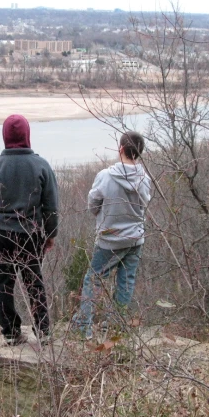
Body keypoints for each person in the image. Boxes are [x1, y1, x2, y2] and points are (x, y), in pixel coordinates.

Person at [0, 114, 58, 345]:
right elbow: (51, 207)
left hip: (1, 233)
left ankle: (11, 333)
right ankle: (43, 331)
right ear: (27, 135)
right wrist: (50, 234)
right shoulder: (41, 165)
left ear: (5, 136)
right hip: (31, 233)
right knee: (34, 281)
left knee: (4, 284)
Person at [74, 131, 151, 340]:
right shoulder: (144, 178)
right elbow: (144, 204)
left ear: (121, 149)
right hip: (135, 238)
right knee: (126, 281)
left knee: (93, 280)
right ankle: (115, 327)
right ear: (139, 153)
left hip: (109, 239)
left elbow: (93, 203)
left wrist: (103, 216)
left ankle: (83, 327)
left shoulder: (106, 176)